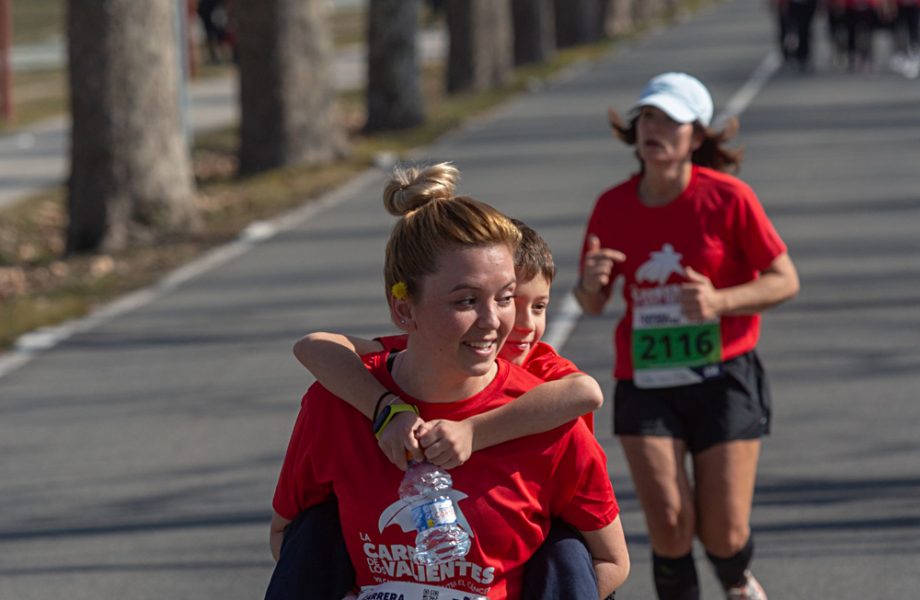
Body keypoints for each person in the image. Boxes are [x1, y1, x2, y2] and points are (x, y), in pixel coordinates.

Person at [269, 162, 630, 599]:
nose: (494, 322)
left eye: (505, 298)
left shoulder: (547, 416)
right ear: (404, 309)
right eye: (466, 301)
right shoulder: (339, 402)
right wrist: (387, 411)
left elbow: (609, 562)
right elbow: (290, 542)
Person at [575, 73, 799, 600]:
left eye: (670, 120)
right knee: (670, 524)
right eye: (647, 117)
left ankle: (736, 579)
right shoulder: (612, 205)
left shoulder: (728, 198)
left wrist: (719, 302)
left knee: (723, 532)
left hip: (724, 375)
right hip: (646, 378)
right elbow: (593, 302)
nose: (654, 129)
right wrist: (589, 284)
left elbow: (785, 279)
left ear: (696, 136)